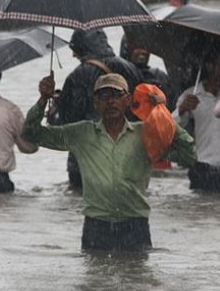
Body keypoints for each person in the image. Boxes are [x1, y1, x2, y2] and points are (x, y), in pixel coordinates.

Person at [23, 73, 196, 252]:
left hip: (134, 226)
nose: (111, 101)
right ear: (96, 102)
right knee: (95, 279)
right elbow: (31, 133)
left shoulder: (146, 134)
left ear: (128, 100)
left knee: (137, 278)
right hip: (96, 227)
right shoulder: (82, 134)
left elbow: (189, 154)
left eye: (116, 95)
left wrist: (161, 113)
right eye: (104, 96)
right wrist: (43, 100)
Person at [53, 29, 141, 189]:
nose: (74, 55)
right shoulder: (130, 68)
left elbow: (68, 123)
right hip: (126, 152)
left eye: (75, 50)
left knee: (82, 204)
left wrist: (56, 108)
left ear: (83, 48)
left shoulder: (79, 75)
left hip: (86, 156)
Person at [173, 49, 220, 191]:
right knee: (201, 210)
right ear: (209, 66)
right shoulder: (191, 95)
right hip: (202, 168)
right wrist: (182, 109)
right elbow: (170, 127)